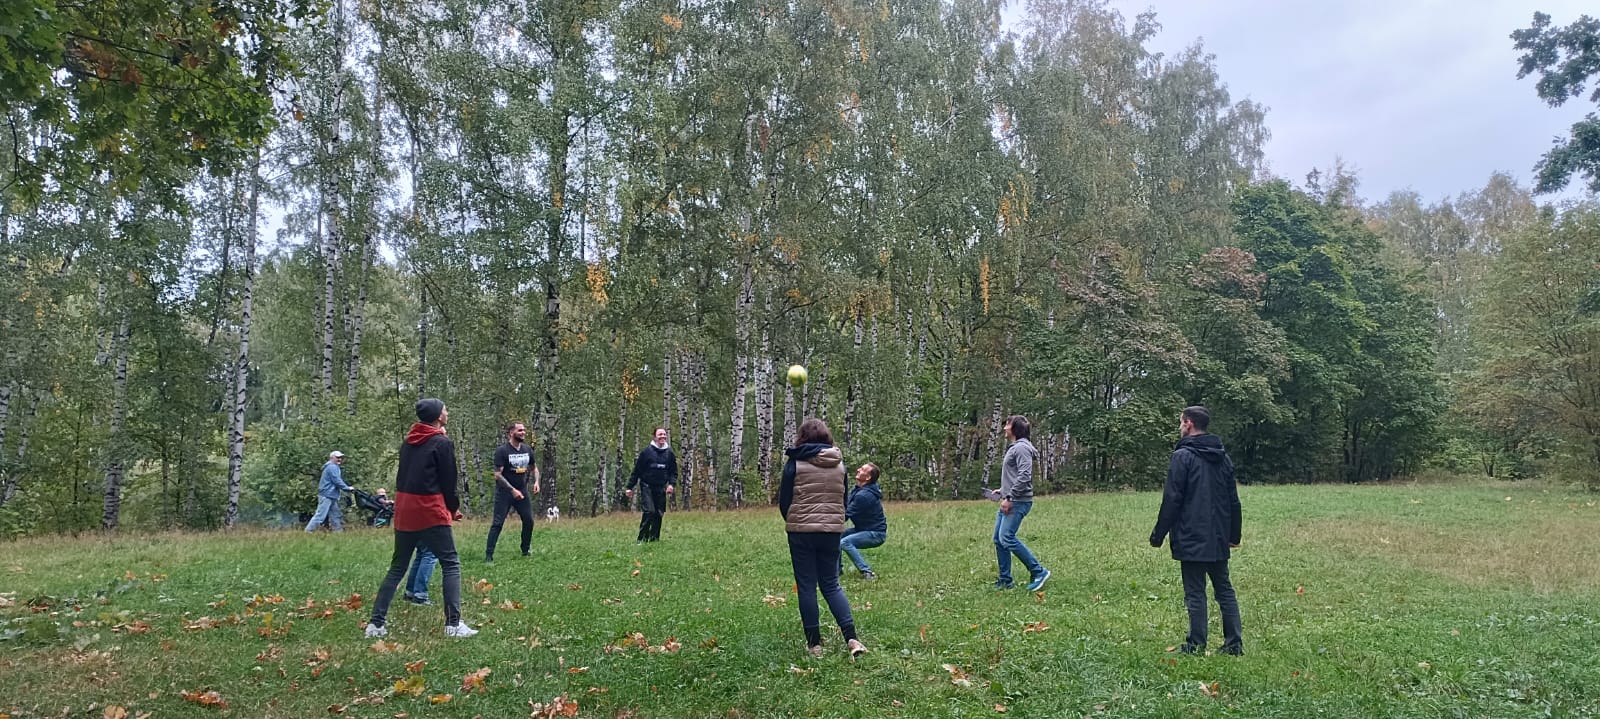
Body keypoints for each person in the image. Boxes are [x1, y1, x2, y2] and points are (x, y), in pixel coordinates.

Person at [366, 398, 476, 638]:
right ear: (438, 416)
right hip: (429, 509)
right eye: (445, 409)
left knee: (398, 567)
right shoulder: (442, 443)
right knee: (450, 563)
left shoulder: (408, 442)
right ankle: (454, 624)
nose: (447, 412)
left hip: (405, 510)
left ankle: (375, 625)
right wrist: (453, 508)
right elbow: (448, 481)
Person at [1150, 405, 1243, 656]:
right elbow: (1233, 500)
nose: (1180, 426)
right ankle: (1234, 644)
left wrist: (1158, 534)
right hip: (1218, 535)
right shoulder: (1223, 458)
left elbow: (1172, 498)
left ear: (1189, 423)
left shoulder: (1182, 457)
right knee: (1224, 589)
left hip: (1190, 534)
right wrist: (1233, 535)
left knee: (1195, 591)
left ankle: (1196, 644)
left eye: (1181, 421)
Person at [779, 418, 867, 659]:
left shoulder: (795, 463)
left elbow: (784, 500)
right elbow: (844, 500)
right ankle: (852, 638)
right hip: (832, 531)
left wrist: (793, 520)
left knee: (807, 586)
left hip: (801, 532)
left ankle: (814, 645)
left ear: (802, 438)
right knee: (831, 584)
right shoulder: (840, 465)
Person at [994, 415, 1050, 592]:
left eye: (1007, 424)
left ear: (1015, 428)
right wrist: (1003, 491)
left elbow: (1025, 476)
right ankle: (1005, 580)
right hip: (1011, 498)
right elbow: (1015, 475)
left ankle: (1038, 571)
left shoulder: (1021, 448)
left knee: (1006, 537)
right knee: (999, 539)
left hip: (1017, 501)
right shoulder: (1017, 447)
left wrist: (1010, 497)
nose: (1004, 428)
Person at [486, 422, 540, 563]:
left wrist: (536, 482)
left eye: (524, 430)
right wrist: (512, 490)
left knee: (529, 521)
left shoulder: (527, 450)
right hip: (505, 493)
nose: (523, 433)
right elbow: (498, 475)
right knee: (498, 523)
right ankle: (489, 555)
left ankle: (525, 550)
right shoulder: (502, 451)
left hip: (522, 491)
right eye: (520, 430)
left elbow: (534, 468)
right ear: (511, 433)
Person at [625, 427, 677, 543]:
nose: (662, 436)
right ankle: (641, 539)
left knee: (659, 513)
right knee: (649, 511)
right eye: (660, 434)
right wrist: (629, 487)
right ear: (655, 437)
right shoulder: (646, 452)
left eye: (664, 434)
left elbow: (673, 472)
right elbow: (637, 471)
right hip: (647, 486)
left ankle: (654, 540)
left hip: (661, 487)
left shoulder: (669, 454)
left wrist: (671, 485)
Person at [839, 463, 886, 580]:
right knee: (836, 537)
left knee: (845, 542)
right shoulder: (859, 490)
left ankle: (867, 572)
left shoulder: (864, 496)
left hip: (875, 534)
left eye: (863, 469)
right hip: (863, 529)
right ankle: (836, 571)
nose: (858, 469)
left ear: (868, 477)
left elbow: (846, 515)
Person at [304, 451, 354, 532]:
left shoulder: (333, 467)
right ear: (332, 458)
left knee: (335, 515)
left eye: (340, 458)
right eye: (337, 457)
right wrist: (347, 488)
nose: (340, 459)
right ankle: (308, 531)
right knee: (320, 516)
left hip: (332, 495)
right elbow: (337, 480)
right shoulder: (332, 467)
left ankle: (338, 532)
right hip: (327, 495)